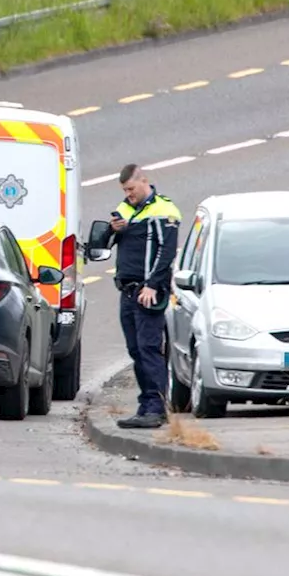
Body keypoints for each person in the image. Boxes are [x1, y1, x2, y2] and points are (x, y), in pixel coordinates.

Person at [107, 163, 181, 429]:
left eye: (131, 189)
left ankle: (156, 407)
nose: (129, 195)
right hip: (127, 291)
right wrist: (112, 230)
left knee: (149, 349)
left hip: (148, 292)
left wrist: (152, 285)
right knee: (135, 349)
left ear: (144, 181)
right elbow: (102, 245)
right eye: (125, 190)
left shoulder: (164, 210)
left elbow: (166, 253)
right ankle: (145, 405)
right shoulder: (125, 209)